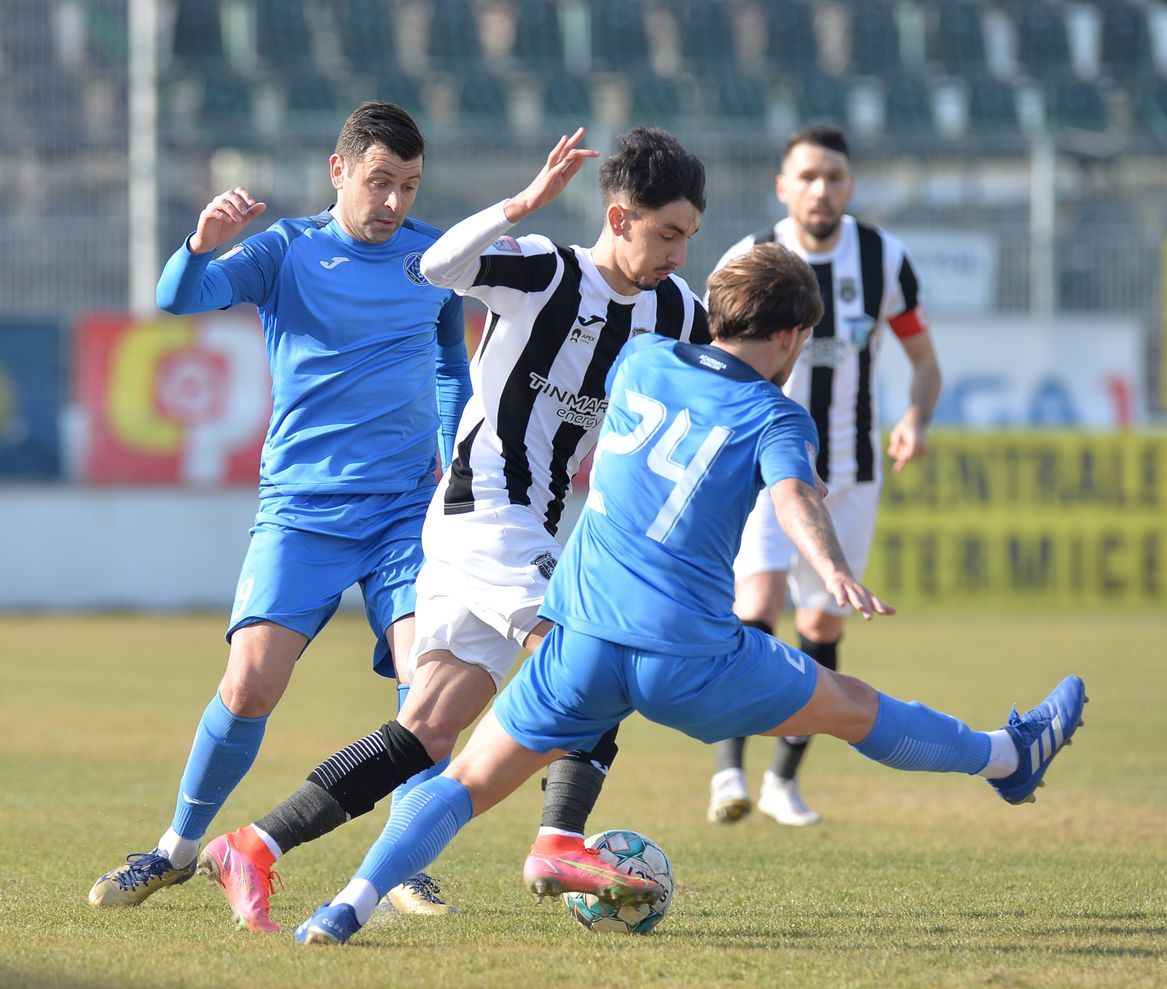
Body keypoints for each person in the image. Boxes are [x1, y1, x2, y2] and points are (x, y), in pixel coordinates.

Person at [291, 241, 1086, 945]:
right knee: (852, 704)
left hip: (584, 646)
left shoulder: (641, 362)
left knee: (463, 784)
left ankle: (345, 908)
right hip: (693, 660)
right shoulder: (777, 416)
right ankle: (1008, 756)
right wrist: (834, 566)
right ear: (791, 337)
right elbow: (794, 499)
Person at [194, 126, 711, 932]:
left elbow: (729, 372)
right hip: (486, 509)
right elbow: (437, 267)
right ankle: (559, 840)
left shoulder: (678, 310)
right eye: (667, 234)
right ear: (617, 218)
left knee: (430, 728)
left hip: (529, 524)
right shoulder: (546, 267)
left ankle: (256, 844)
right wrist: (522, 203)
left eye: (690, 237)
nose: (679, 253)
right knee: (592, 650)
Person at [87, 101, 471, 916]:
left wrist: (453, 456)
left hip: (406, 511)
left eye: (408, 185)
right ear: (339, 171)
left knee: (428, 683)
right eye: (379, 182)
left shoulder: (432, 259)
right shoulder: (284, 250)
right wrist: (200, 246)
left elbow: (449, 364)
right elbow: (176, 300)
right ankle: (175, 851)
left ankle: (399, 864)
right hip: (302, 510)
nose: (395, 201)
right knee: (251, 684)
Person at [706, 125, 943, 828]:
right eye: (807, 176)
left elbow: (925, 362)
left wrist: (916, 418)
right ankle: (727, 773)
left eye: (834, 176)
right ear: (783, 186)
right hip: (761, 466)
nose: (821, 188)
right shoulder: (747, 257)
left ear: (851, 185)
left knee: (819, 621)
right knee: (759, 603)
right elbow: (708, 360)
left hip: (850, 469)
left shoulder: (882, 257)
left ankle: (782, 779)